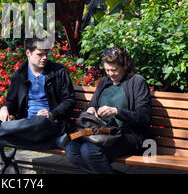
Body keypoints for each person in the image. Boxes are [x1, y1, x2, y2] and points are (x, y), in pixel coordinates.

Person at [0, 36, 76, 150]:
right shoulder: (20, 75)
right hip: (27, 125)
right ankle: (53, 142)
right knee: (3, 140)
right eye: (40, 54)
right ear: (28, 52)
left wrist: (52, 114)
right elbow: (11, 102)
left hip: (51, 123)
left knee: (39, 121)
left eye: (46, 54)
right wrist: (5, 108)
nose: (44, 58)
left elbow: (70, 100)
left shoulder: (58, 72)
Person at [65, 46, 152, 174]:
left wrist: (116, 111)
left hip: (127, 135)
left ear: (125, 66)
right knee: (71, 149)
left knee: (89, 151)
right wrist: (91, 110)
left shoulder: (137, 81)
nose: (111, 74)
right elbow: (92, 104)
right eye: (107, 70)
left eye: (114, 70)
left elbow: (144, 117)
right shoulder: (104, 82)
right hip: (101, 132)